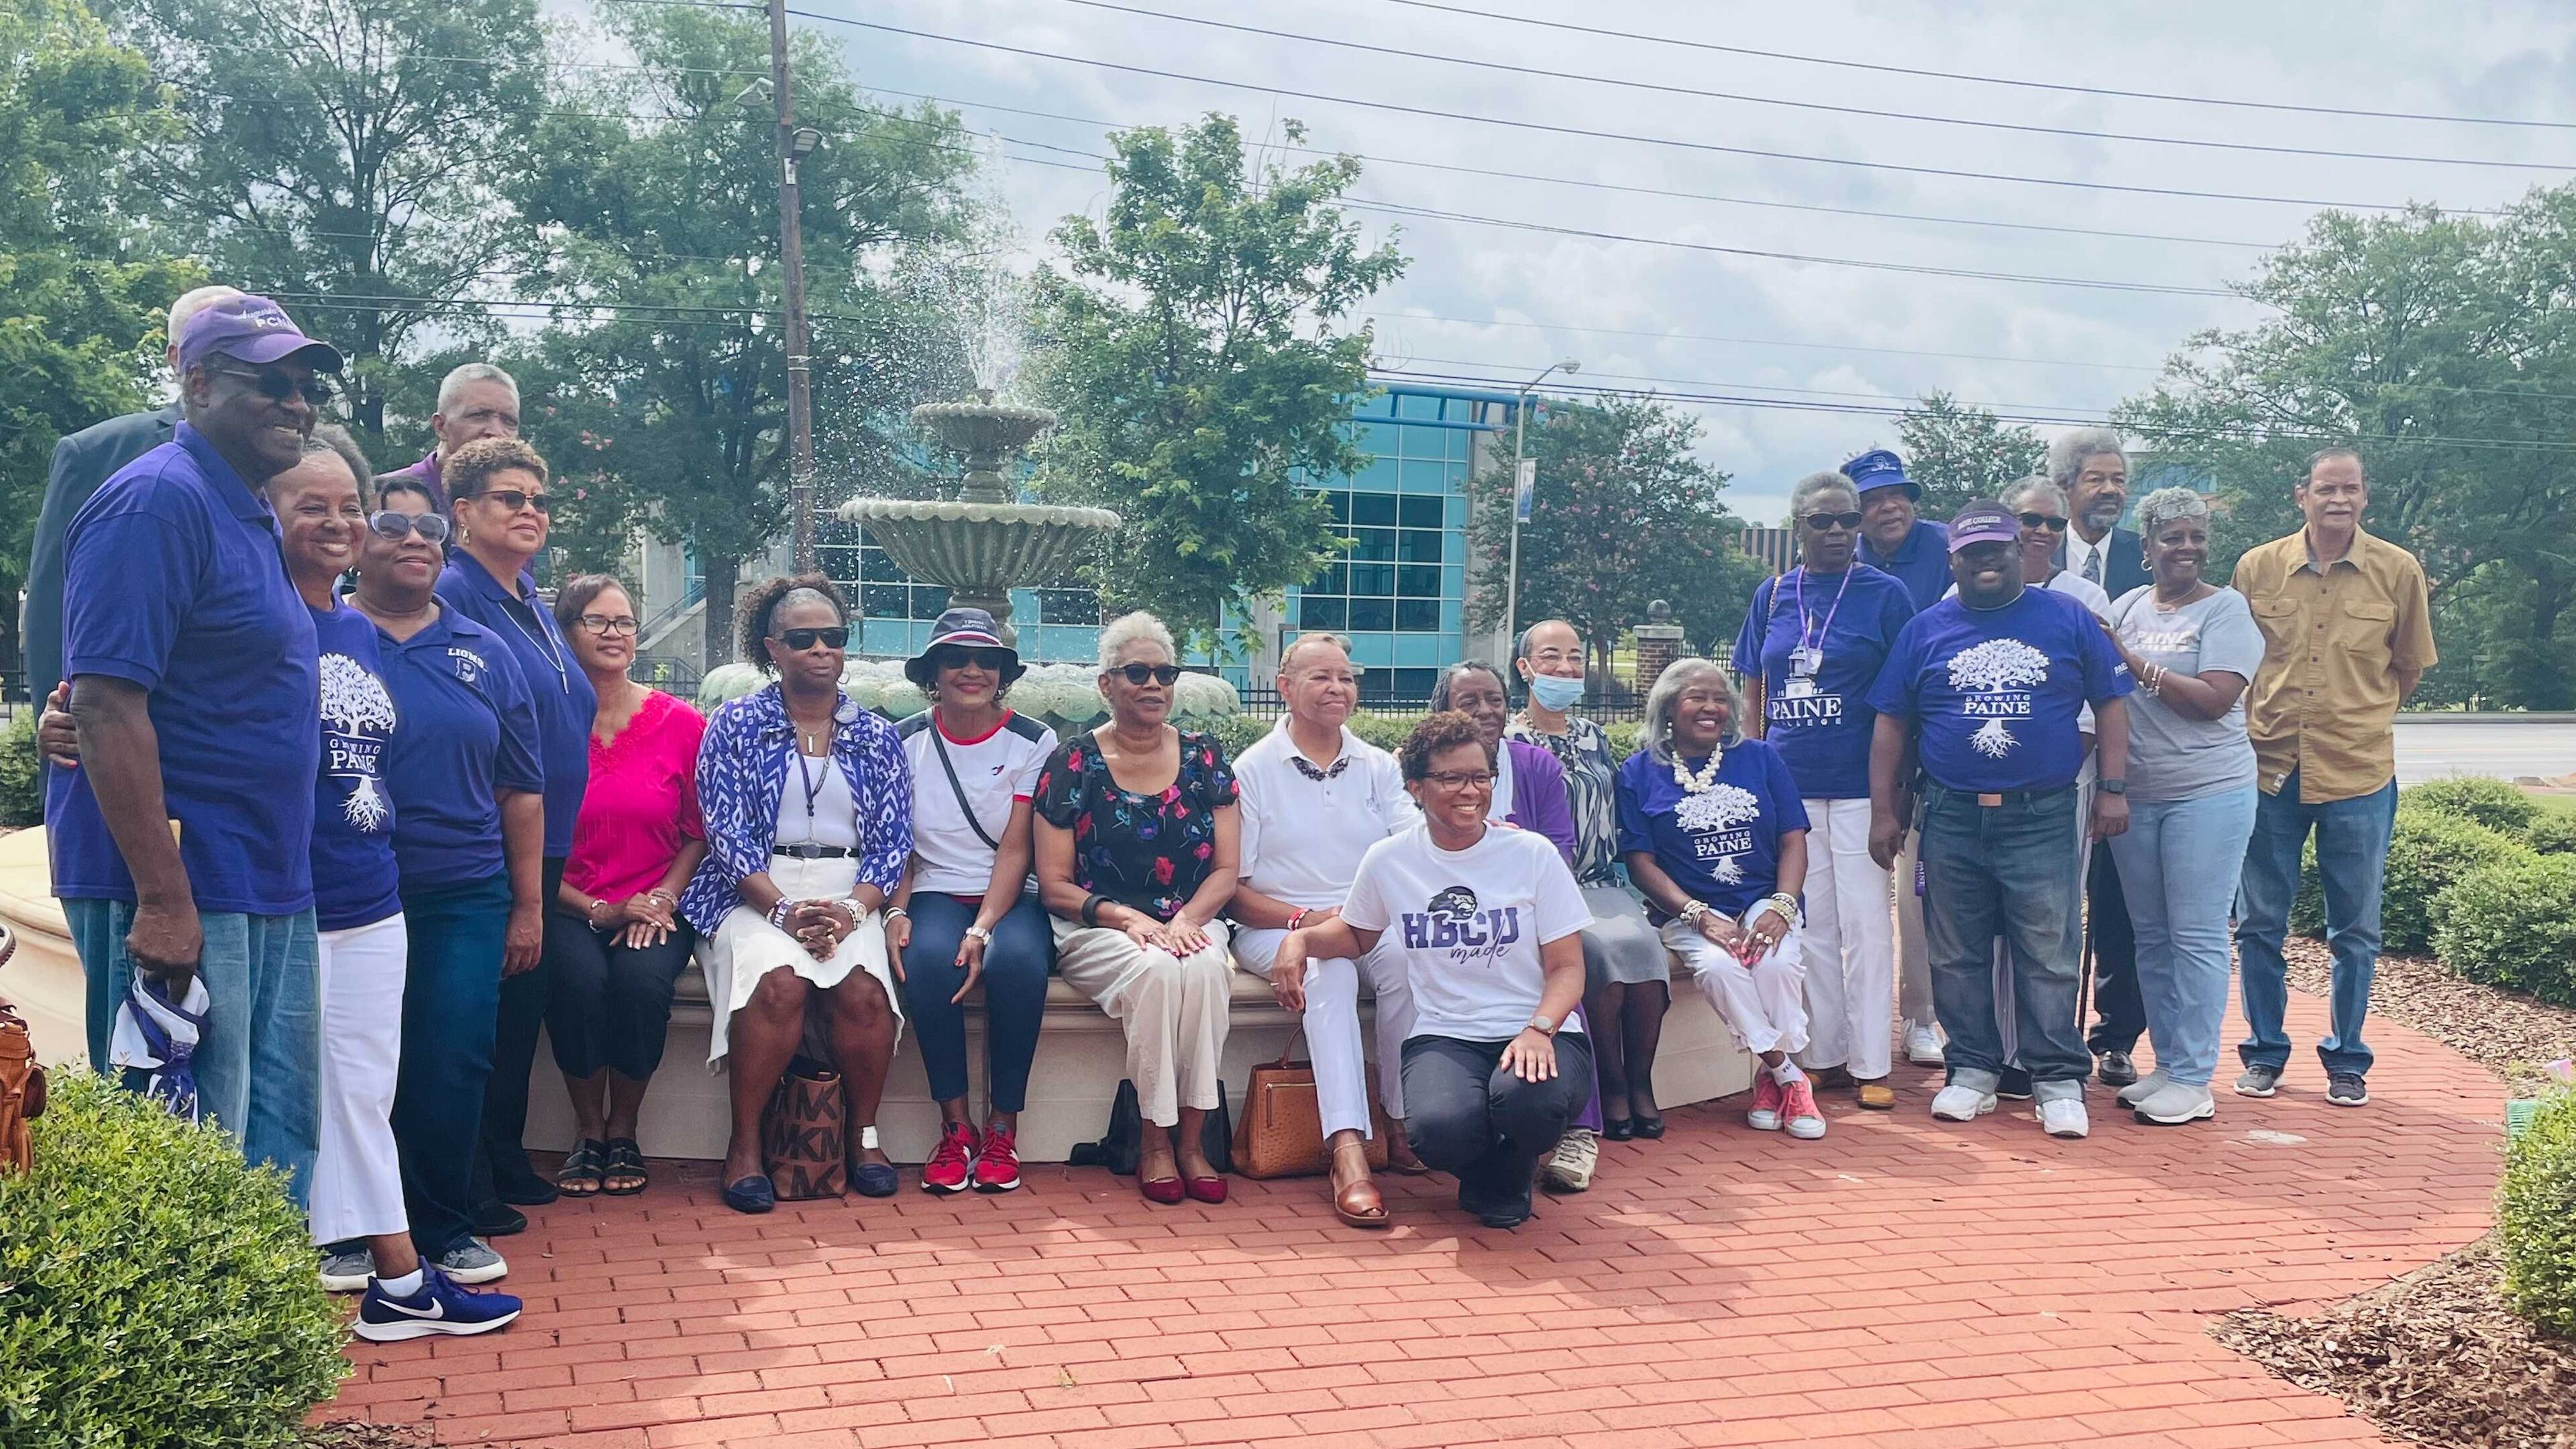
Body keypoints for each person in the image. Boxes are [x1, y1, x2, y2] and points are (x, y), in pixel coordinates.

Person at [35, 429, 525, 1337]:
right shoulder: (240, 613)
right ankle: (259, 1311)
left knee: (346, 1099)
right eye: (314, 506)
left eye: (351, 507)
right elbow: (102, 704)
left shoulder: (354, 629)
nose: (338, 522)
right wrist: (52, 732)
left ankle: (394, 1278)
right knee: (232, 1110)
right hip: (260, 894)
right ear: (265, 514)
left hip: (362, 895)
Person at [48, 294, 337, 1202]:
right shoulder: (155, 503)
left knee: (275, 1148)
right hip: (183, 887)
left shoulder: (243, 511)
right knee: (190, 1169)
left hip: (261, 880)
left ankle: (275, 1347)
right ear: (198, 381)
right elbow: (102, 704)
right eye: (272, 384)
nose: (297, 403)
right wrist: (165, 903)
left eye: (308, 386)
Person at [1866, 499, 2133, 1140]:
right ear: (1953, 560)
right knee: (1955, 952)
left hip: (2040, 812)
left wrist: (2114, 791)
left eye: (1998, 549)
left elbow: (2112, 703)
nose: (1987, 561)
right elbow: (1892, 724)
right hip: (1951, 812)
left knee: (2048, 950)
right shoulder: (1926, 629)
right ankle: (1973, 1071)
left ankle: (2057, 1078)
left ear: (2021, 551)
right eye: (1973, 552)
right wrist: (1885, 810)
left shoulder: (2067, 617)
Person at [1278, 711, 1592, 1230]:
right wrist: (1301, 939)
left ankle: (1511, 1166)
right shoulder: (1389, 860)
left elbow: (1567, 967)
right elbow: (1357, 935)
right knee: (1438, 1131)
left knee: (1527, 1104)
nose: (1469, 790)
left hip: (1540, 1030)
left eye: (1479, 777)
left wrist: (1539, 1030)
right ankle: (1485, 1165)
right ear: (1416, 787)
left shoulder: (1531, 855)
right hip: (1447, 1033)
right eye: (1450, 778)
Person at [352, 468, 547, 1285]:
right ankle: (350, 1227)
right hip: (351, 890)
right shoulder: (322, 635)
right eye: (390, 527)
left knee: (454, 1057)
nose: (412, 542)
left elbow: (521, 789)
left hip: (465, 892)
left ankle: (443, 1224)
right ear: (356, 544)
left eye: (427, 530)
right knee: (357, 1062)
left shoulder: (483, 648)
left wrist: (527, 906)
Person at [682, 576, 912, 1214]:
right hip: (754, 889)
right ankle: (747, 1146)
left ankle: (863, 1137)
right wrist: (782, 908)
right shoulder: (734, 724)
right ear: (772, 648)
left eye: (833, 638)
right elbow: (723, 834)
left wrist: (852, 910)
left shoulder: (876, 734)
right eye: (803, 639)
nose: (821, 650)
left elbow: (894, 841)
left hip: (850, 893)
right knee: (778, 983)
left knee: (865, 993)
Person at [2232, 449, 2435, 1108]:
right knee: (2260, 922)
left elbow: (2409, 667)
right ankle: (2264, 1053)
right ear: (2303, 495)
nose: (2338, 499)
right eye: (2326, 488)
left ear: (2364, 497)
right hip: (2270, 773)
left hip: (2360, 774)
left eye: (2350, 489)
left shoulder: (2398, 571)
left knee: (2356, 929)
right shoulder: (2257, 568)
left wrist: (2360, 720)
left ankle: (2348, 1060)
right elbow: (2238, 663)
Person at [434, 436, 594, 1227]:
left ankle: (502, 1155)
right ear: (462, 511)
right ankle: (464, 1180)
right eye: (509, 498)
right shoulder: (454, 594)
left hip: (546, 838)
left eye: (538, 499)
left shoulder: (527, 596)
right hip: (489, 839)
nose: (530, 510)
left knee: (516, 1017)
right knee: (472, 1021)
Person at [1032, 612, 1240, 1207]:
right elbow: (1054, 884)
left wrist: (1186, 921)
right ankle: (1154, 1139)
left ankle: (1195, 1141)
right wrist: (1132, 921)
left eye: (1164, 673)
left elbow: (1226, 869)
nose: (1154, 685)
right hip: (1097, 926)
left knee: (1199, 971)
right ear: (1106, 685)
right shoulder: (1074, 763)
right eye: (1138, 673)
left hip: (1190, 920)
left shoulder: (1205, 758)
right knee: (1155, 972)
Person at [1734, 474, 1916, 1110]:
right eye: (1822, 521)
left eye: (1846, 519)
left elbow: (1904, 698)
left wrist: (1895, 797)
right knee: (1809, 926)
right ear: (1798, 528)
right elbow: (1753, 685)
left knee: (1867, 923)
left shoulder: (1885, 595)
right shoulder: (1774, 593)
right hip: (1791, 785)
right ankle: (1823, 1055)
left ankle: (1871, 1062)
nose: (1836, 531)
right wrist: (1751, 764)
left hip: (1863, 787)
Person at [1232, 632, 1421, 1228]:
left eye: (1345, 676)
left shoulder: (1377, 767)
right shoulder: (1253, 770)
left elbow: (1412, 851)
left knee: (1408, 964)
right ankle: (1347, 1149)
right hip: (1278, 925)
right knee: (1329, 970)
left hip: (1366, 920)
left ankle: (1402, 1118)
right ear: (1285, 689)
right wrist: (1306, 923)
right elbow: (1232, 891)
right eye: (1320, 677)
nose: (1337, 688)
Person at [1952, 478, 2124, 1100]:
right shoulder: (1962, 593)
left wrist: (2055, 767)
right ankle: (1994, 1056)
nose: (2041, 532)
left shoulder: (2084, 598)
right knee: (1983, 933)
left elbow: (2096, 702)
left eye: (2053, 523)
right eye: (2029, 520)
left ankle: (2044, 1059)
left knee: (2045, 933)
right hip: (1974, 801)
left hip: (2059, 790)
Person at [2099, 488, 2264, 1126]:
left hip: (2210, 793)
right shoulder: (2128, 606)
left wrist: (2131, 660)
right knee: (2152, 936)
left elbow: (2214, 700)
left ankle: (2195, 1078)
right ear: (2148, 550)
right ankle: (2167, 1065)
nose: (2187, 548)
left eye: (2196, 536)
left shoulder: (2227, 610)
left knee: (2195, 936)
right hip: (2137, 795)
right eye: (2172, 537)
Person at [546, 574, 708, 1198]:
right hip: (568, 901)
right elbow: (525, 839)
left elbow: (697, 832)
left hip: (657, 900)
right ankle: (587, 1132)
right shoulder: (548, 721)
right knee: (577, 983)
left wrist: (662, 899)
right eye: (597, 621)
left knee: (641, 984)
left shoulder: (679, 722)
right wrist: (600, 910)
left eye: (624, 622)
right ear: (566, 633)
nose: (615, 633)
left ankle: (624, 1129)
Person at [887, 608, 1057, 1197]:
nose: (972, 670)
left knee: (1018, 963)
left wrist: (983, 928)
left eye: (987, 660)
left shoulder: (1034, 739)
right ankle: (956, 1128)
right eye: (956, 658)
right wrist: (896, 911)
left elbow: (1016, 850)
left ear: (1002, 672)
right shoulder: (903, 739)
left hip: (1010, 896)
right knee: (928, 960)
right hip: (934, 890)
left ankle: (1003, 1128)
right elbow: (897, 845)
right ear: (934, 669)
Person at [1617, 659, 1823, 1140]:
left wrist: (1781, 907)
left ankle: (1771, 1078)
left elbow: (1794, 838)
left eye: (1720, 699)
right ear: (1669, 706)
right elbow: (1640, 862)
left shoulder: (1760, 758)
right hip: (1688, 908)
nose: (1712, 708)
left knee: (1776, 963)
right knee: (1718, 967)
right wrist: (1699, 915)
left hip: (1761, 899)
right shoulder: (1639, 772)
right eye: (1697, 698)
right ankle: (1790, 1075)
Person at [1428, 660, 1608, 1183]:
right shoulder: (1422, 770)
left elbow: (1562, 850)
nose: (1485, 711)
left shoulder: (1536, 765)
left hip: (1530, 911)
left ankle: (1578, 1129)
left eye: (1495, 699)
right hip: (1454, 916)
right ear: (1444, 712)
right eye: (1469, 702)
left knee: (1580, 961)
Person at [25, 284, 242, 704]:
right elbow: (54, 602)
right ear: (177, 358)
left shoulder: (295, 454)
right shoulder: (98, 454)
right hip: (133, 709)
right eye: (216, 344)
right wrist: (56, 732)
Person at [1509, 621, 1670, 1150]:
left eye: (1574, 657)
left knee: (1645, 950)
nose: (1564, 668)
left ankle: (1641, 1080)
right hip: (1552, 886)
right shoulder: (1510, 743)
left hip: (1604, 882)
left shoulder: (1593, 735)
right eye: (1550, 656)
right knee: (1599, 952)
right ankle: (1612, 1085)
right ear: (1525, 668)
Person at [1845, 447, 1953, 1072]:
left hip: (1925, 744)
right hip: (1847, 751)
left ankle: (1922, 1017)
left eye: (1898, 495)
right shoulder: (1838, 556)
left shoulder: (1944, 551)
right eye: (1873, 499)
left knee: (1918, 892)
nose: (1889, 507)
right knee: (1852, 901)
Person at [378, 362, 521, 511]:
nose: (496, 432)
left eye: (509, 421)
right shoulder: (381, 497)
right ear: (441, 426)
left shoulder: (525, 508)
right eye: (479, 416)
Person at [2051, 428, 2149, 599]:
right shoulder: (2042, 552)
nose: (2111, 489)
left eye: (2118, 480)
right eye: (2096, 479)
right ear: (2064, 487)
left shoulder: (2147, 555)